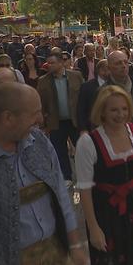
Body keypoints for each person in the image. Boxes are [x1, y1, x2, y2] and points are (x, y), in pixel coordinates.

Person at [0, 82, 88, 264]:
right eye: (35, 113)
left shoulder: (39, 140)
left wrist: (74, 245)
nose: (41, 120)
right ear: (8, 118)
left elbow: (60, 192)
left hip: (54, 255)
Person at [75, 86, 133, 264]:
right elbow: (85, 189)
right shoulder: (88, 143)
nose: (120, 114)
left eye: (124, 109)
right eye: (114, 110)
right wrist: (93, 227)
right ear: (102, 111)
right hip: (108, 214)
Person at [36, 53, 84, 182]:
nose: (49, 65)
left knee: (81, 149)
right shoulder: (43, 81)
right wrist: (44, 124)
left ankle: (84, 175)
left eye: (52, 63)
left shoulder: (76, 76)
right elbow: (41, 104)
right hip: (56, 122)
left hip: (75, 120)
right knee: (60, 151)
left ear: (61, 63)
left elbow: (83, 97)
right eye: (48, 63)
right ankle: (66, 176)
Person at [77, 59, 110, 134]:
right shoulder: (87, 86)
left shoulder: (114, 84)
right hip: (93, 126)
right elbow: (81, 109)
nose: (107, 72)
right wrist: (83, 128)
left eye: (109, 69)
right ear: (98, 70)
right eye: (104, 69)